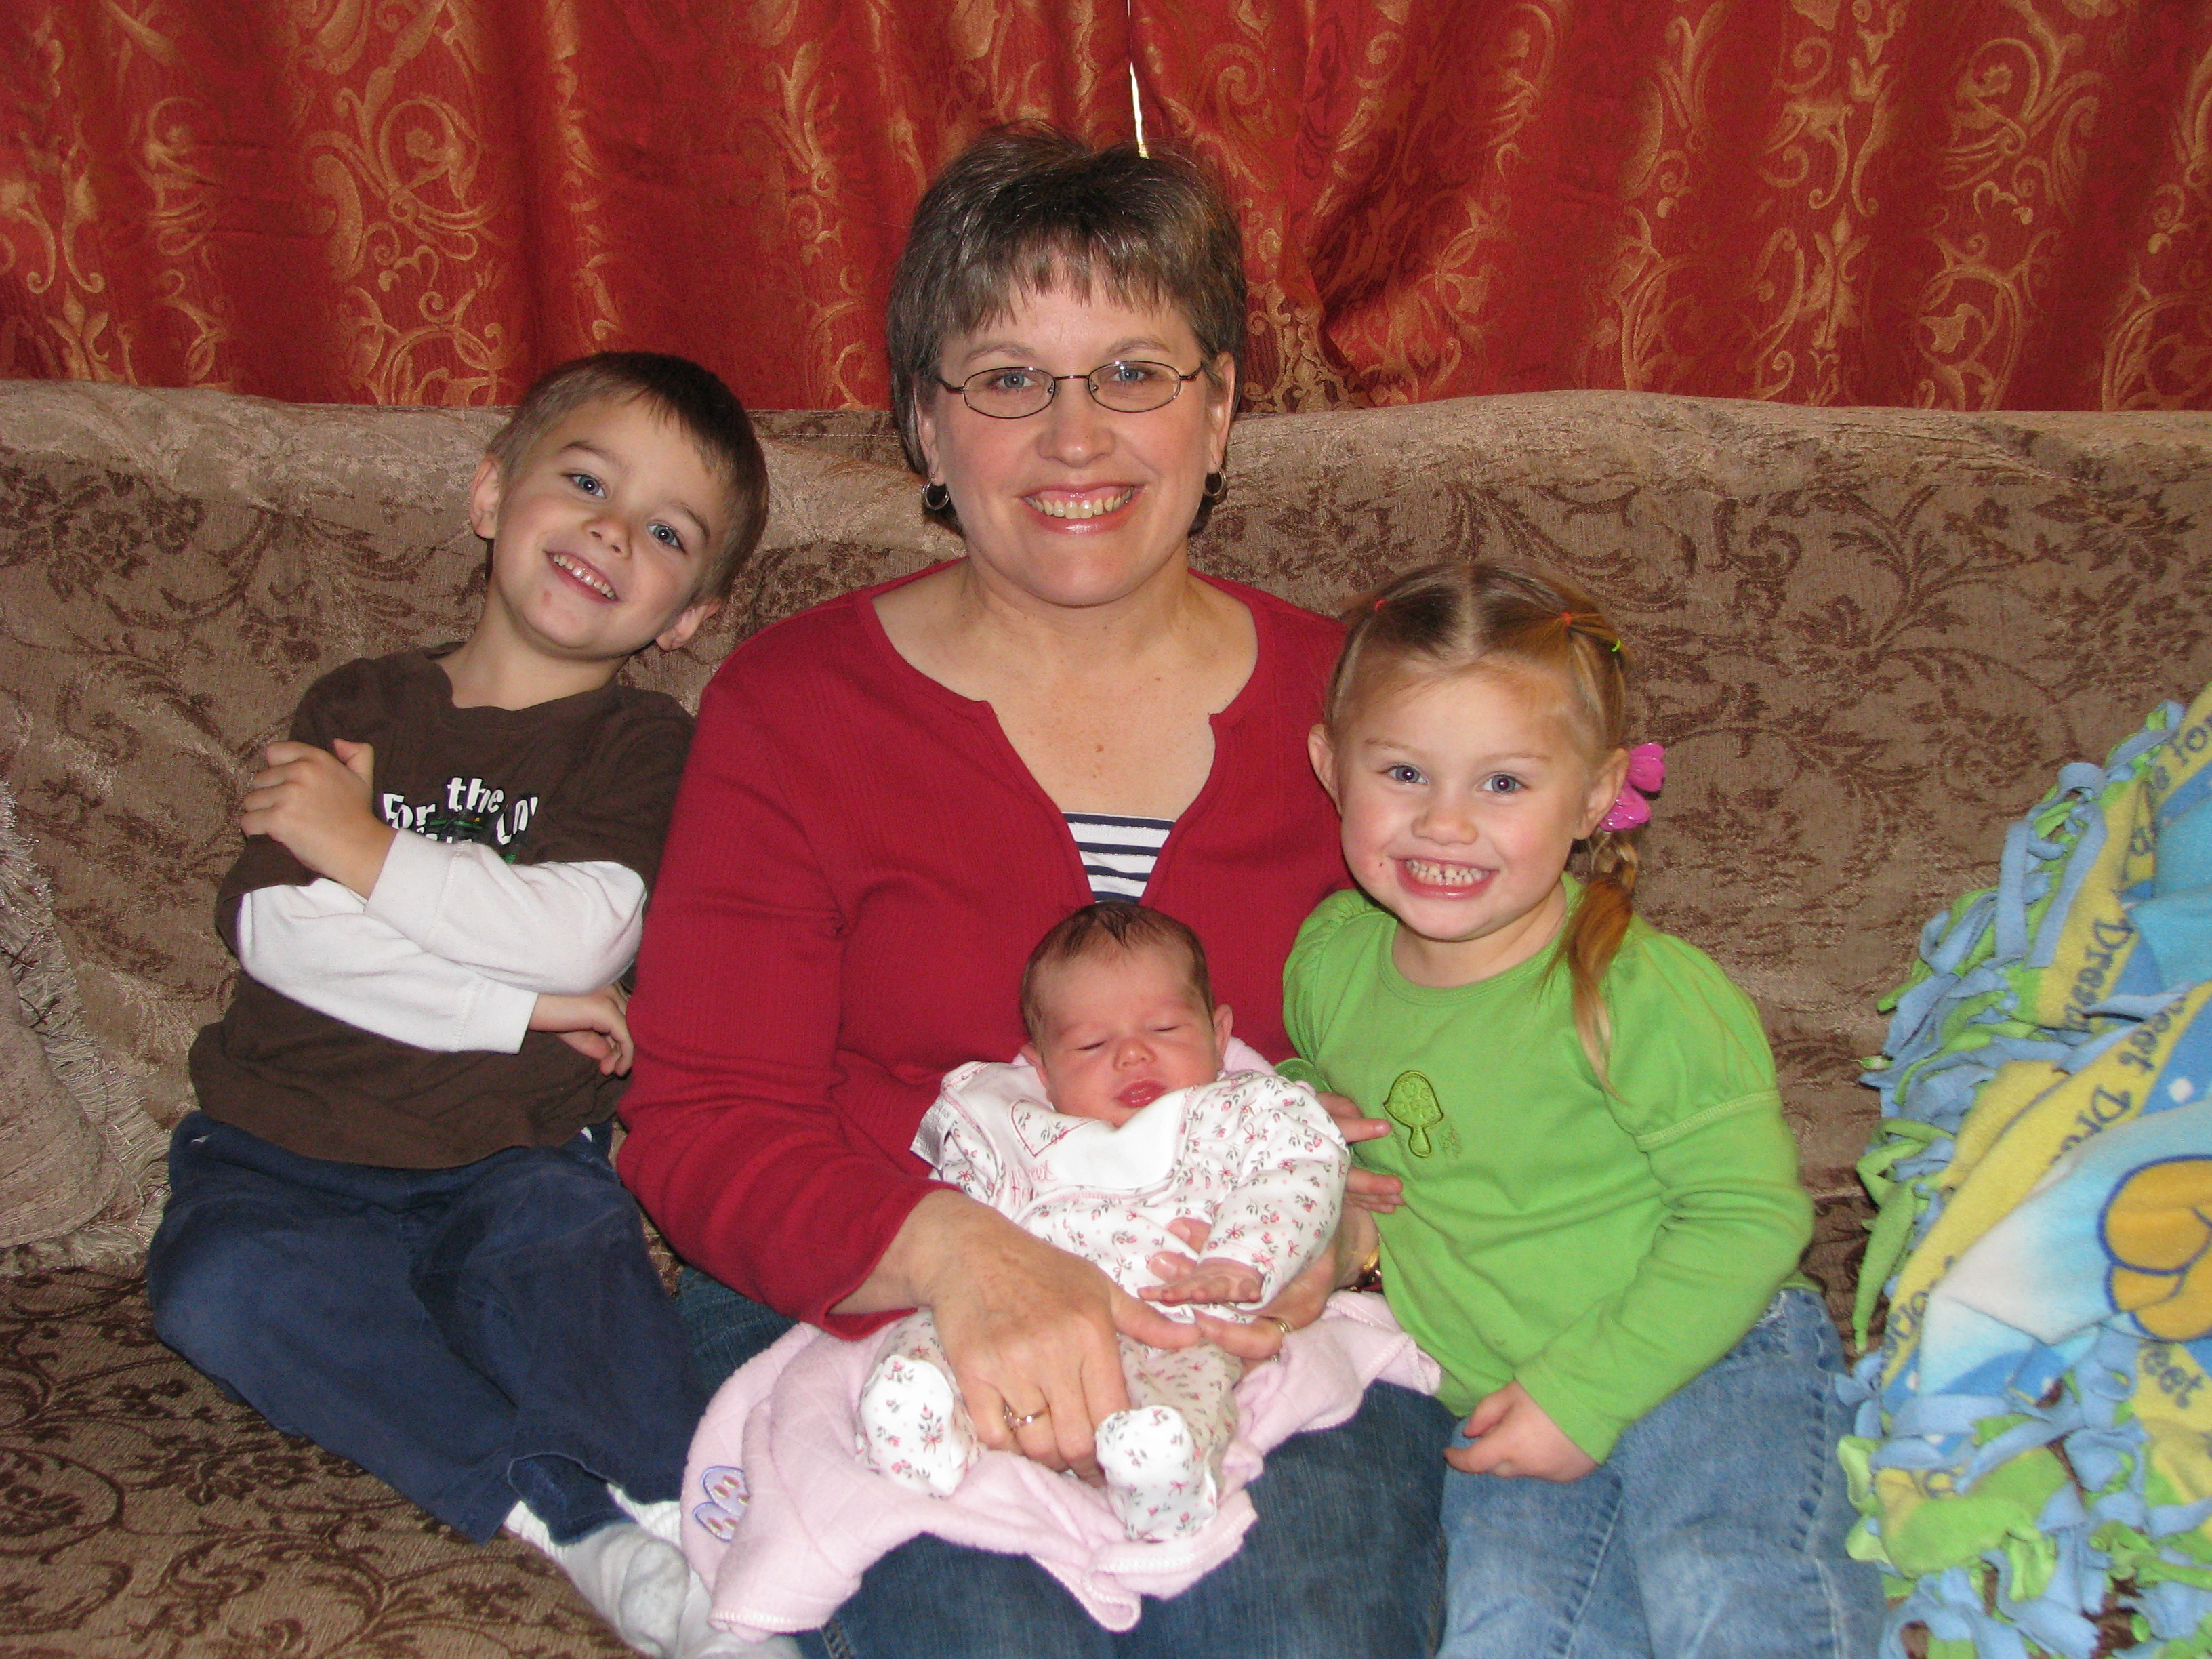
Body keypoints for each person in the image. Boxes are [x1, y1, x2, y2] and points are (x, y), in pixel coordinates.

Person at [619, 128, 1451, 1659]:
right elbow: (699, 1122)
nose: (1076, 439)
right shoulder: (794, 709)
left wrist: (1347, 1235)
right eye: (1008, 379)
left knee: (1304, 1629)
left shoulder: (1369, 714)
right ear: (926, 425)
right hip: (876, 1290)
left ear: (1219, 408)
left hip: (1243, 1308)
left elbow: (1492, 1042)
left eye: (1132, 372)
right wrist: (957, 1250)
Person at [145, 352, 770, 1658]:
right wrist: (518, 1008)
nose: (612, 529)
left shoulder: (644, 746)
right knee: (211, 1290)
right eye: (585, 481)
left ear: (689, 617)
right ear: (491, 493)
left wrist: (364, 849)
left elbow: (582, 926)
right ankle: (559, 1516)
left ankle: (683, 1528)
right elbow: (281, 936)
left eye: (666, 532)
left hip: (510, 1151)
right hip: (277, 1151)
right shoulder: (360, 702)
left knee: (565, 1253)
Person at [1286, 560, 1886, 1657]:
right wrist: (1296, 1121)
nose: (1444, 823)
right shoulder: (1329, 961)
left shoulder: (1634, 989)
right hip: (1501, 1397)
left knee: (1728, 1596)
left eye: (1503, 783)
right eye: (1404, 772)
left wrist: (1584, 1393)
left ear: (1597, 794)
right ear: (1330, 766)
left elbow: (1749, 1215)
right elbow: (1300, 1079)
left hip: (1712, 1352)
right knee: (1505, 1633)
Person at [857, 902, 1347, 1540]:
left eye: (1165, 1028)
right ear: (1041, 1068)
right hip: (1020, 1305)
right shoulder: (1018, 1125)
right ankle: (924, 1427)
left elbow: (1299, 1174)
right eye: (1092, 1044)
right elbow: (961, 1214)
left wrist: (1242, 1256)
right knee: (934, 1331)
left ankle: (1166, 1479)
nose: (1133, 1054)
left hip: (1174, 1307)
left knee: (1196, 1376)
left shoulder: (1241, 1111)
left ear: (1219, 1033)